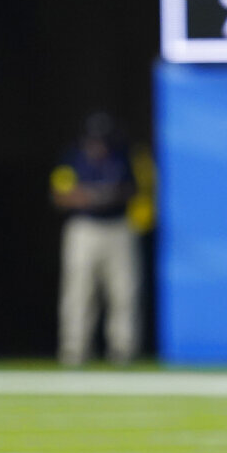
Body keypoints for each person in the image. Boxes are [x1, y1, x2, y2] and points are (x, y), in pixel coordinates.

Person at [50, 112, 142, 366]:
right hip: (84, 228)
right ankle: (74, 351)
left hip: (118, 227)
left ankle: (123, 351)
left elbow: (133, 189)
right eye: (94, 140)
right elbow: (59, 195)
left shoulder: (123, 155)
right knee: (78, 291)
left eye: (103, 140)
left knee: (124, 292)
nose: (98, 145)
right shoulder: (73, 158)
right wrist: (90, 197)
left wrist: (105, 196)